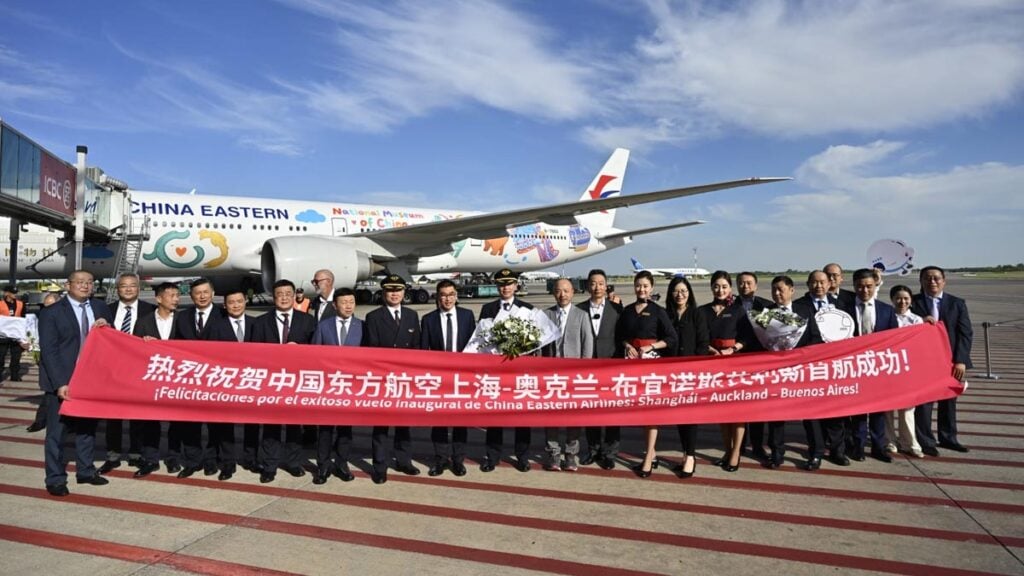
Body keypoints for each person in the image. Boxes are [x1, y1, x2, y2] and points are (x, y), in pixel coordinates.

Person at [38, 270, 113, 497]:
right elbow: (49, 352)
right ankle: (55, 478)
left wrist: (107, 328)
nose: (85, 286)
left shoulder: (100, 308)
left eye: (89, 282)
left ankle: (86, 470)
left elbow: (111, 342)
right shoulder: (52, 313)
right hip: (63, 381)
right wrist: (61, 382)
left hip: (90, 380)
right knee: (57, 433)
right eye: (80, 282)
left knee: (87, 430)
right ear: (68, 285)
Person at [249, 279, 316, 483]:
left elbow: (316, 353)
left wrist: (301, 350)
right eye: (280, 294)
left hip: (297, 382)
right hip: (271, 383)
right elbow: (254, 354)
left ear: (294, 295)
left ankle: (294, 463)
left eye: (288, 293)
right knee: (271, 427)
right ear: (273, 296)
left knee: (295, 426)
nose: (284, 297)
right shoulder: (260, 322)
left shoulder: (307, 321)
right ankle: (269, 466)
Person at [363, 274, 422, 484]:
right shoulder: (373, 317)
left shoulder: (411, 316)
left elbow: (417, 347)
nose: (395, 294)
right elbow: (372, 350)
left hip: (404, 379)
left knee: (404, 424)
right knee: (381, 427)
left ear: (404, 293)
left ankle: (404, 460)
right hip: (383, 379)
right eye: (390, 290)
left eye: (398, 290)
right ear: (383, 293)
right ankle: (380, 466)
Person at [617, 270, 676, 477]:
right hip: (632, 365)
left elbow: (671, 338)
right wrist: (627, 345)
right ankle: (652, 453)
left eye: (645, 286)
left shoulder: (658, 311)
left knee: (651, 413)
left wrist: (652, 347)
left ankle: (648, 457)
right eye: (638, 285)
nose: (641, 289)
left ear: (651, 288)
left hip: (652, 367)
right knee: (642, 413)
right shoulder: (627, 311)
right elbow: (621, 336)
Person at [99, 273, 156, 475]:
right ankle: (112, 455)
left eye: (132, 285)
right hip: (114, 371)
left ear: (138, 288)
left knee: (138, 415)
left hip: (141, 370)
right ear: (118, 288)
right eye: (124, 286)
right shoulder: (106, 311)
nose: (128, 289)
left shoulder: (151, 310)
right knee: (113, 415)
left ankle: (136, 454)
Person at [911, 265, 973, 455]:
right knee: (924, 404)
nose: (932, 281)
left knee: (948, 402)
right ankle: (926, 441)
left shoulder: (957, 303)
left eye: (936, 278)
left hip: (951, 363)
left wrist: (961, 360)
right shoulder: (912, 302)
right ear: (921, 281)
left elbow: (965, 334)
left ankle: (948, 438)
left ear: (944, 281)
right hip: (923, 363)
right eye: (927, 278)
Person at [170, 278, 227, 478]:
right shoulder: (183, 317)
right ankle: (192, 461)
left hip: (216, 379)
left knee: (215, 424)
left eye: (205, 292)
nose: (202, 296)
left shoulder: (223, 314)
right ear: (191, 296)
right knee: (190, 423)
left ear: (212, 294)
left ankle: (212, 460)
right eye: (197, 293)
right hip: (191, 380)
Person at [478, 268, 534, 473]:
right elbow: (481, 339)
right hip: (496, 372)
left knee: (522, 418)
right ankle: (492, 456)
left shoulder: (527, 308)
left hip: (520, 372)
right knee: (494, 416)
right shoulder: (488, 309)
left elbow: (534, 341)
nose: (505, 287)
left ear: (516, 285)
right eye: (502, 284)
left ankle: (523, 457)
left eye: (509, 284)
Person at [420, 279, 476, 477]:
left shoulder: (467, 316)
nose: (447, 298)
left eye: (451, 294)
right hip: (439, 379)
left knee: (461, 421)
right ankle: (441, 459)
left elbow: (474, 347)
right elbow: (423, 352)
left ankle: (458, 460)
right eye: (443, 295)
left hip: (462, 378)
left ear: (456, 296)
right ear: (437, 297)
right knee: (440, 421)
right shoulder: (428, 319)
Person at [541, 278, 593, 472]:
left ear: (573, 292)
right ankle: (553, 453)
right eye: (558, 291)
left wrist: (584, 374)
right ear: (554, 293)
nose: (562, 295)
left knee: (573, 417)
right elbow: (539, 346)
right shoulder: (546, 315)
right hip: (552, 375)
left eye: (566, 291)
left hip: (574, 376)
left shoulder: (582, 315)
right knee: (551, 417)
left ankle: (571, 454)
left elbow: (587, 346)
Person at [197, 288, 248, 481]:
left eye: (239, 301)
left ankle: (236, 458)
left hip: (249, 382)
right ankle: (220, 461)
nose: (236, 305)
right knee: (219, 424)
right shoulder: (216, 326)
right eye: (231, 302)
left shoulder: (254, 323)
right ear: (225, 306)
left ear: (245, 302)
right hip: (222, 383)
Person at [311, 287, 361, 484]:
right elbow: (315, 355)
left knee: (345, 430)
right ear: (335, 305)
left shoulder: (361, 326)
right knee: (324, 430)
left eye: (351, 302)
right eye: (344, 302)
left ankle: (342, 463)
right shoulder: (324, 326)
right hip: (328, 387)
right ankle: (322, 466)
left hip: (350, 387)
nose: (348, 306)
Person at [697, 271, 746, 472]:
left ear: (730, 289)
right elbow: (700, 337)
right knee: (722, 412)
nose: (720, 290)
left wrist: (733, 349)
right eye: (717, 286)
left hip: (735, 364)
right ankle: (727, 450)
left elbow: (747, 337)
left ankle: (736, 454)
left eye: (724, 286)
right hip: (713, 364)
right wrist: (710, 349)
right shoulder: (702, 311)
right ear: (711, 287)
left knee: (738, 412)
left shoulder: (738, 310)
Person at [793, 271, 842, 469]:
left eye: (822, 282)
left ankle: (838, 450)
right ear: (807, 284)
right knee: (811, 413)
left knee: (837, 411)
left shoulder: (843, 302)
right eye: (814, 282)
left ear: (830, 283)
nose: (818, 286)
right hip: (810, 367)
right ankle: (816, 452)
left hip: (837, 366)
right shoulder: (798, 307)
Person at [131, 282, 180, 477]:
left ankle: (173, 457)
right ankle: (150, 459)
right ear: (159, 298)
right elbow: (133, 350)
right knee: (150, 421)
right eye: (172, 295)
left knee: (176, 421)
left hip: (177, 378)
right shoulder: (143, 322)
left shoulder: (183, 319)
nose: (176, 299)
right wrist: (144, 345)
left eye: (177, 295)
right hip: (152, 379)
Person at [849, 268, 898, 463]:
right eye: (860, 286)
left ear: (875, 286)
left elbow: (895, 339)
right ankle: (858, 446)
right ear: (854, 286)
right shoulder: (845, 309)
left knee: (879, 410)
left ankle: (878, 447)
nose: (864, 290)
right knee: (858, 411)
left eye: (869, 286)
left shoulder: (886, 310)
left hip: (878, 368)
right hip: (854, 368)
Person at [577, 269, 623, 470]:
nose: (597, 287)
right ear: (588, 286)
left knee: (612, 413)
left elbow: (622, 337)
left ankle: (610, 452)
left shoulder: (617, 308)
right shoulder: (578, 309)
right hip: (588, 368)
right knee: (591, 411)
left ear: (607, 286)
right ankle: (593, 449)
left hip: (611, 366)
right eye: (593, 283)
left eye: (601, 283)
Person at [664, 276, 709, 478]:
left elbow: (702, 343)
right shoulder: (667, 315)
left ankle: (690, 456)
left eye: (683, 290)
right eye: (676, 291)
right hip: (673, 374)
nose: (680, 294)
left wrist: (694, 367)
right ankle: (685, 454)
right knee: (680, 417)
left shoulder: (696, 314)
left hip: (691, 374)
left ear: (689, 293)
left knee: (690, 416)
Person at [735, 271, 774, 460]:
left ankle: (757, 445)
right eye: (741, 283)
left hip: (759, 361)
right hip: (736, 361)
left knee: (756, 406)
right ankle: (739, 444)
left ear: (756, 285)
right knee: (738, 406)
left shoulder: (766, 306)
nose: (745, 286)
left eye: (749, 283)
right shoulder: (730, 306)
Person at [888, 284, 924, 458]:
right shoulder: (887, 316)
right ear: (892, 300)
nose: (902, 302)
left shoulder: (917, 320)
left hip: (908, 368)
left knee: (907, 408)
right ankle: (890, 441)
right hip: (888, 367)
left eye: (906, 299)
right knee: (886, 407)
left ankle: (910, 442)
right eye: (898, 298)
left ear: (911, 300)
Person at [26, 292, 60, 434]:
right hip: (46, 359)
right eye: (45, 307)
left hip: (64, 360)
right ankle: (40, 420)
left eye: (50, 306)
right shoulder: (40, 318)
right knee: (50, 392)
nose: (47, 310)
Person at [0, 284, 29, 382]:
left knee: (16, 356)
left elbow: (24, 318)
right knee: (1, 356)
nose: (15, 294)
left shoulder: (21, 304)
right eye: (13, 293)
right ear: (7, 293)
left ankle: (14, 375)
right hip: (3, 335)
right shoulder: (0, 303)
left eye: (16, 292)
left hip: (16, 334)